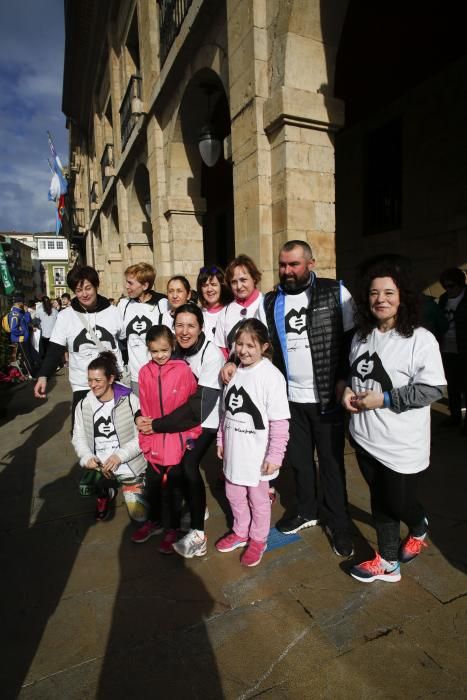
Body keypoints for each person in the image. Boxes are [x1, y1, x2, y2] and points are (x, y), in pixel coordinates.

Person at [246, 240, 355, 557]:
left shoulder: (335, 292)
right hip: (289, 399)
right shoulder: (269, 301)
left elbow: (351, 338)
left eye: (293, 264)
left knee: (332, 464)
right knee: (299, 461)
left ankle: (338, 522)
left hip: (326, 397)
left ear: (310, 263)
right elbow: (254, 340)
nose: (287, 271)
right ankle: (307, 510)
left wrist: (344, 377)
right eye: (282, 264)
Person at [342, 258, 446, 583]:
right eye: (374, 293)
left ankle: (418, 526)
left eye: (389, 292)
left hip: (401, 446)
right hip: (363, 438)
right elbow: (353, 374)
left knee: (399, 503)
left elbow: (434, 389)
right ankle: (387, 561)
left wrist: (384, 399)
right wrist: (346, 391)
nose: (381, 299)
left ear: (402, 297)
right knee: (380, 500)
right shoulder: (361, 337)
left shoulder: (420, 339)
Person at [141, 304, 225, 558]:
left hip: (206, 420)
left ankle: (198, 533)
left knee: (187, 465)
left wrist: (156, 425)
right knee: (162, 469)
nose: (184, 331)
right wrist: (141, 416)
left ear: (201, 327)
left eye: (190, 325)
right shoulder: (172, 349)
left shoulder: (211, 355)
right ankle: (181, 511)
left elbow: (199, 407)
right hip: (176, 420)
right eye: (179, 325)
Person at [216, 320, 290, 567]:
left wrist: (275, 455)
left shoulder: (272, 377)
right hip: (234, 451)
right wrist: (221, 439)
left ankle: (259, 538)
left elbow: (280, 422)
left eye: (251, 345)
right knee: (233, 494)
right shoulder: (234, 371)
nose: (244, 350)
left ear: (264, 346)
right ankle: (240, 531)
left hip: (257, 455)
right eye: (239, 344)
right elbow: (225, 411)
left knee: (258, 500)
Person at [133, 325, 202, 554]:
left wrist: (190, 437)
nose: (160, 355)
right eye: (154, 351)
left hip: (176, 441)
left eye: (164, 350)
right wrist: (143, 433)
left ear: (172, 346)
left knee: (174, 488)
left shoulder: (183, 370)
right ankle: (154, 521)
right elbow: (143, 406)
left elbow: (191, 409)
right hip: (153, 439)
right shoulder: (144, 372)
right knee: (151, 485)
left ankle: (172, 528)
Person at [34, 265, 124, 424]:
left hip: (112, 381)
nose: (84, 294)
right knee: (82, 431)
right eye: (79, 290)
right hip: (82, 383)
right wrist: (43, 375)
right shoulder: (65, 316)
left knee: (116, 428)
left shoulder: (114, 312)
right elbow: (55, 349)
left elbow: (124, 344)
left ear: (96, 286)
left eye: (88, 288)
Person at [72, 352, 147, 522]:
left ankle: (136, 484)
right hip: (101, 465)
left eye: (98, 380)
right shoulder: (83, 404)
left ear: (111, 379)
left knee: (140, 516)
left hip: (127, 463)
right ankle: (105, 492)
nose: (93, 385)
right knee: (86, 486)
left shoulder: (130, 400)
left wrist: (119, 456)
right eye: (90, 380)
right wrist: (87, 457)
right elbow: (78, 437)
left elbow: (142, 437)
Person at [117, 263, 168, 396]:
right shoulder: (124, 305)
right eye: (126, 282)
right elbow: (119, 337)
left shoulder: (162, 304)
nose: (127, 286)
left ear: (145, 285)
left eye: (130, 283)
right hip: (135, 376)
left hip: (159, 374)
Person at [214, 255, 264, 359]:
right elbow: (221, 350)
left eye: (243, 280)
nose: (239, 286)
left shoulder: (266, 304)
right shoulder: (225, 312)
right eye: (234, 282)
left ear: (254, 278)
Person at [438, 267, 467, 433]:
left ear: (461, 284)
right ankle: (455, 417)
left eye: (451, 286)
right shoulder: (443, 299)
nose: (448, 289)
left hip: (464, 349)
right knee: (453, 386)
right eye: (445, 286)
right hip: (447, 349)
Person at [196, 265, 233, 339]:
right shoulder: (197, 313)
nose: (209, 289)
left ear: (222, 287)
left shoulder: (230, 311)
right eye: (205, 285)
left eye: (214, 285)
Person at [7, 294, 34, 377]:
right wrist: (22, 333)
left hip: (25, 338)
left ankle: (31, 372)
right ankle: (32, 374)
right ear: (19, 303)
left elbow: (28, 321)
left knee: (28, 356)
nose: (24, 304)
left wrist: (26, 312)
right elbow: (13, 329)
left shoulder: (21, 312)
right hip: (20, 339)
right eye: (23, 302)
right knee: (26, 357)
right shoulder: (14, 314)